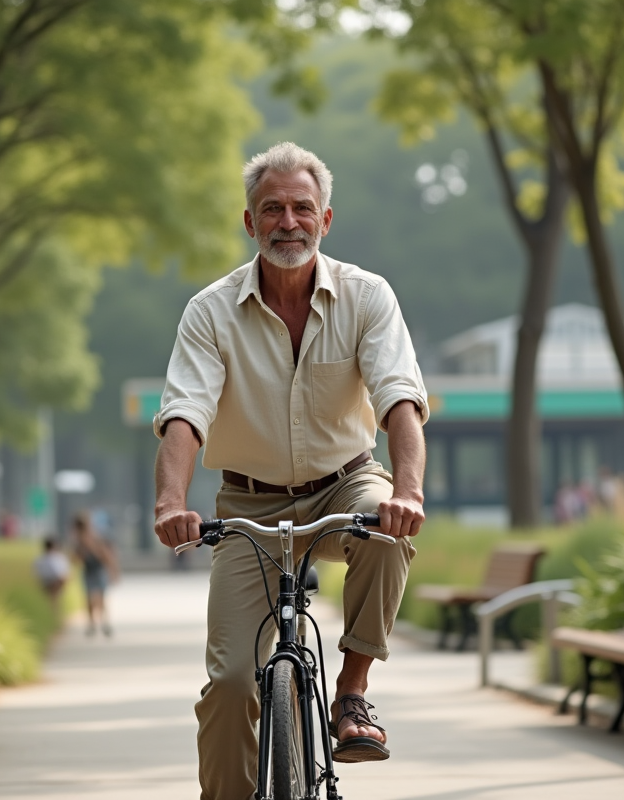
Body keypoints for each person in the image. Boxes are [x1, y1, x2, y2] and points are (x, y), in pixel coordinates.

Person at [153, 142, 428, 799]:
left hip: (344, 483)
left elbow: (398, 400)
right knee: (227, 685)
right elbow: (185, 413)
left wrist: (409, 491)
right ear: (249, 223)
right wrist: (171, 502)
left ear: (325, 219)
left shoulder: (367, 297)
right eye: (271, 209)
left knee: (389, 530)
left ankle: (352, 693)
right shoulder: (210, 312)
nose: (288, 222)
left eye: (302, 208)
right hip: (247, 505)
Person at [72, 511, 120, 637]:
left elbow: (105, 555)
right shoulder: (78, 542)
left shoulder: (95, 537)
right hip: (88, 571)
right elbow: (76, 559)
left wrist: (112, 571)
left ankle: (105, 623)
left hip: (99, 570)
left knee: (101, 598)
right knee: (89, 599)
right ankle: (91, 624)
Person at [32, 537, 71, 615]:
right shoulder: (57, 558)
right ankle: (56, 611)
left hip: (56, 582)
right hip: (48, 582)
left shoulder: (41, 559)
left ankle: (55, 610)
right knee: (55, 597)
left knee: (55, 597)